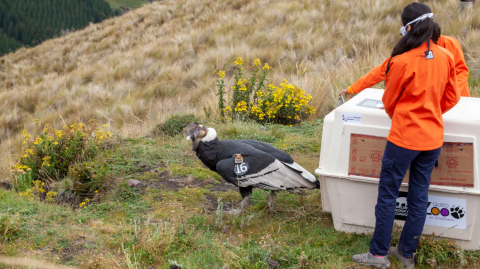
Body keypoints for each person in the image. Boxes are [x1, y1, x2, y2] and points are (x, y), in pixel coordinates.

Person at [351, 3, 461, 269]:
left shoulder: (401, 61)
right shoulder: (446, 56)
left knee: (388, 194)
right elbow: (453, 97)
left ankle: (378, 255)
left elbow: (389, 102)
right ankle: (407, 254)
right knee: (419, 196)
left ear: (409, 27)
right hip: (433, 139)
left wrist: (406, 117)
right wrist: (432, 112)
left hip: (403, 139)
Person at [339, 20, 470, 98]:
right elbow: (383, 69)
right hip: (431, 106)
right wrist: (353, 88)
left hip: (458, 103)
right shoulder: (411, 46)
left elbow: (461, 72)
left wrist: (448, 96)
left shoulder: (449, 43)